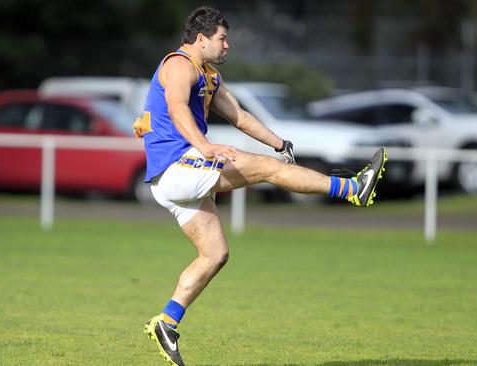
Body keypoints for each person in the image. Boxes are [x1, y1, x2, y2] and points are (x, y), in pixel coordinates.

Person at [136, 6, 386, 366]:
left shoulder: (209, 76)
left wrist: (278, 143)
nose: (227, 45)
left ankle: (167, 322)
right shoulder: (178, 64)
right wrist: (206, 147)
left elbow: (239, 116)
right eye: (222, 38)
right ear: (201, 39)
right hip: (177, 167)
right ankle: (351, 189)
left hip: (175, 178)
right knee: (267, 170)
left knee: (215, 254)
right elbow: (176, 109)